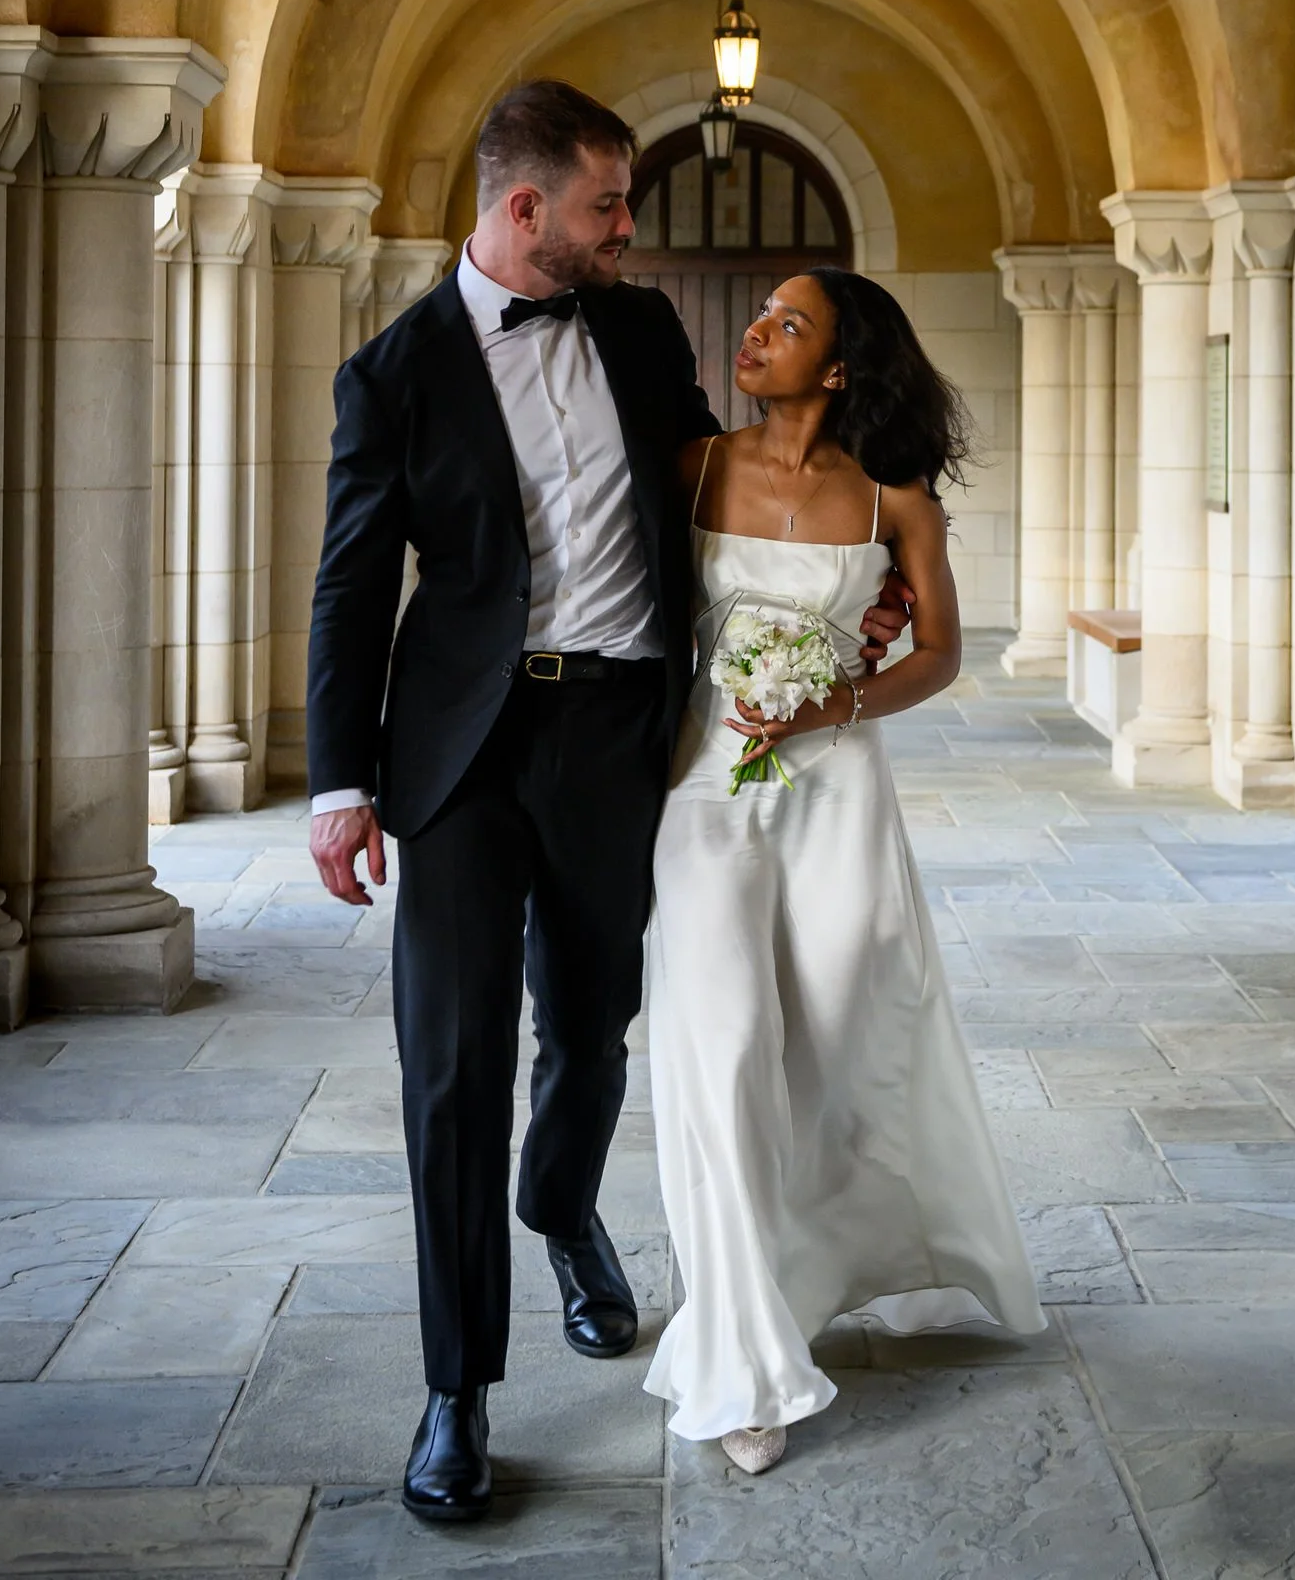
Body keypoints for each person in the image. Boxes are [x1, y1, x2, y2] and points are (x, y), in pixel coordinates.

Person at [303, 83, 907, 1525]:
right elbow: (348, 585)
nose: (628, 229)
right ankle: (458, 1388)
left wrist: (848, 599)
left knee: (588, 1024)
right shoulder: (391, 374)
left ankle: (562, 1206)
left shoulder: (636, 330)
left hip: (621, 736)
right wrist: (339, 784)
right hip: (454, 754)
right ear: (527, 213)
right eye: (607, 208)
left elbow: (725, 485)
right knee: (451, 1063)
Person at [644, 268, 1046, 1473]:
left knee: (834, 1047)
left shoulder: (893, 500)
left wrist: (835, 702)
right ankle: (742, 1363)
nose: (754, 334)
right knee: (716, 1054)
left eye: (787, 324)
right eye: (758, 317)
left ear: (838, 367)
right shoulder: (696, 468)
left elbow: (940, 653)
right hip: (702, 787)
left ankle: (810, 1271)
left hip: (838, 795)